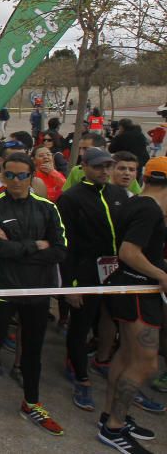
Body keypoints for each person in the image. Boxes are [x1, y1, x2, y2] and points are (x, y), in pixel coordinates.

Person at [0, 153, 67, 436]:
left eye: (21, 175)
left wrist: (18, 248)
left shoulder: (48, 208)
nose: (14, 181)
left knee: (33, 350)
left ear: (32, 176)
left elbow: (60, 250)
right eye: (8, 175)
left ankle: (32, 402)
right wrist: (38, 246)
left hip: (37, 291)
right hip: (3, 288)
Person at [98, 157, 167, 452]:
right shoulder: (149, 209)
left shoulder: (139, 203)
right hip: (138, 291)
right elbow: (128, 251)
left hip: (131, 288)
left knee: (126, 356)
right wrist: (161, 274)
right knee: (146, 363)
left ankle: (112, 417)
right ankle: (114, 426)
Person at [58, 148, 130, 410]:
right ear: (84, 166)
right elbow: (65, 246)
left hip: (115, 271)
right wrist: (69, 285)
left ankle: (102, 361)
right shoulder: (71, 198)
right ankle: (81, 376)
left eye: (108, 166)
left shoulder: (119, 194)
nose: (104, 171)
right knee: (81, 323)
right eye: (99, 166)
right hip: (84, 271)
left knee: (110, 322)